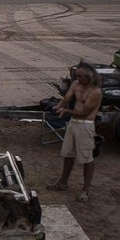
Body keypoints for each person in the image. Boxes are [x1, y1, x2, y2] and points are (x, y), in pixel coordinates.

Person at [46, 60, 103, 202]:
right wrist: (59, 106)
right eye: (76, 76)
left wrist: (65, 111)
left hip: (85, 124)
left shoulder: (95, 92)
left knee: (87, 158)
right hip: (73, 123)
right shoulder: (76, 85)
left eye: (80, 76)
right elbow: (66, 99)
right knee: (68, 154)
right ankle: (62, 183)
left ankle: (86, 190)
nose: (77, 79)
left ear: (89, 76)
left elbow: (84, 112)